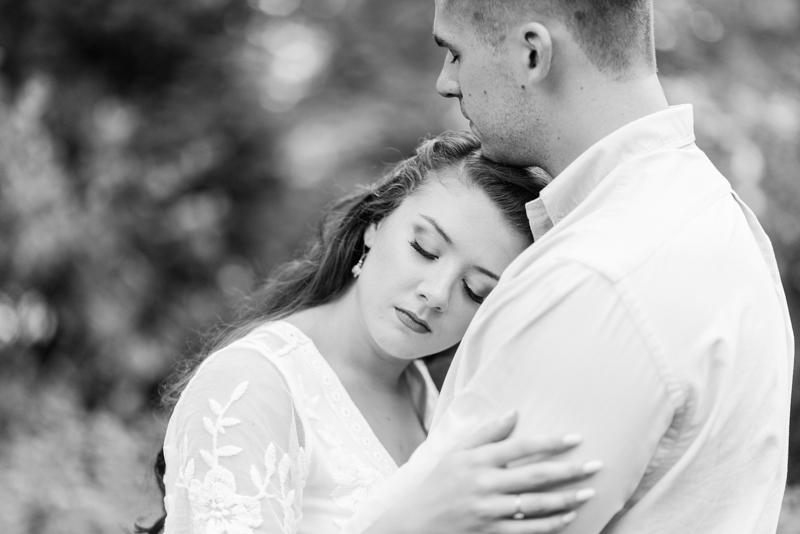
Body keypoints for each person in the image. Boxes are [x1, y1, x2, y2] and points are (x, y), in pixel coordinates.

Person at [343, 1, 795, 534]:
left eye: (455, 53)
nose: (446, 81)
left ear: (532, 53)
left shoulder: (596, 278)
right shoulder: (714, 218)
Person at [145, 131, 603, 534]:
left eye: (476, 290)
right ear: (373, 226)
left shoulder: (435, 405)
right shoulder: (251, 387)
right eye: (424, 249)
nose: (437, 294)